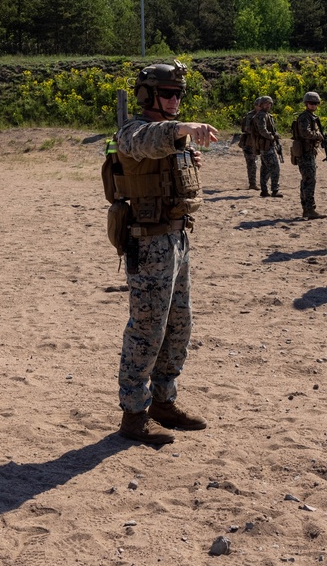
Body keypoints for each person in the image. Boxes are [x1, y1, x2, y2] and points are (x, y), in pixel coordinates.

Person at [110, 61, 218, 445]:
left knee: (178, 327)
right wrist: (184, 129)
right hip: (148, 241)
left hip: (177, 239)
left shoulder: (172, 138)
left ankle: (163, 401)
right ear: (146, 96)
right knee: (147, 331)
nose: (175, 100)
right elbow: (147, 140)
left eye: (178, 95)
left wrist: (186, 154)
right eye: (167, 93)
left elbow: (170, 158)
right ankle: (134, 415)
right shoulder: (133, 131)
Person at [290, 91, 327, 219]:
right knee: (309, 180)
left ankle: (307, 208)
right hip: (305, 153)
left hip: (309, 152)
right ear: (306, 103)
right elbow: (304, 133)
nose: (314, 105)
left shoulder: (311, 117)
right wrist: (318, 136)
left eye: (316, 103)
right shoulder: (304, 117)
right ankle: (309, 209)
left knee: (307, 180)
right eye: (311, 103)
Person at [240, 96, 282, 196]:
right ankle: (274, 190)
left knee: (265, 167)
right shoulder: (261, 115)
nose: (268, 105)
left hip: (263, 144)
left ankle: (264, 190)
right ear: (260, 105)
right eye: (265, 103)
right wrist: (272, 137)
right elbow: (262, 130)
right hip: (263, 145)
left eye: (269, 103)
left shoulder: (265, 115)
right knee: (274, 167)